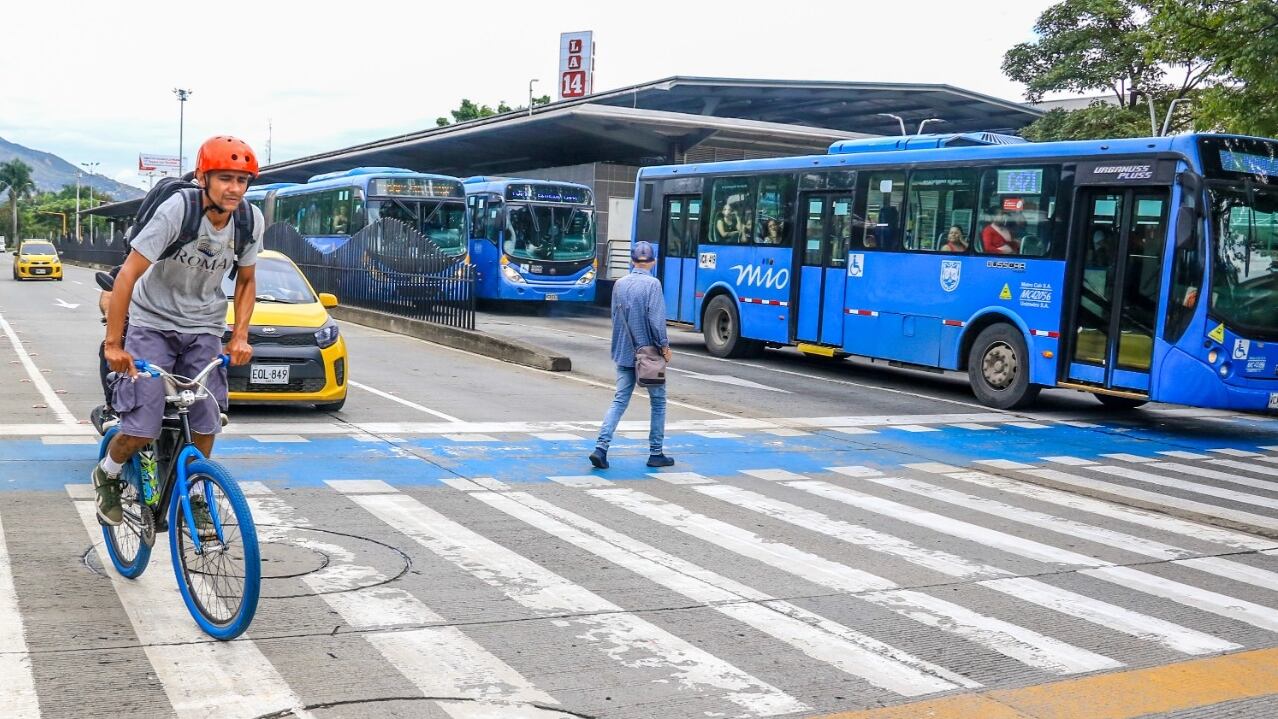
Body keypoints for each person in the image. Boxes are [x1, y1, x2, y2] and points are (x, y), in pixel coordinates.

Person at [92, 136, 263, 527]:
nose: (234, 188)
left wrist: (239, 335)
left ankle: (199, 492)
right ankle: (109, 471)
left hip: (203, 327)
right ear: (204, 178)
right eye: (225, 178)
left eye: (242, 180)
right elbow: (129, 276)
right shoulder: (178, 210)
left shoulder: (249, 221)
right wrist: (114, 343)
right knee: (142, 426)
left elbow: (247, 281)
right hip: (153, 322)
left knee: (206, 418)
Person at [589, 240, 674, 470]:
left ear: (632, 261)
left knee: (619, 400)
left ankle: (601, 448)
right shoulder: (653, 285)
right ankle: (656, 453)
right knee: (658, 402)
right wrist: (664, 347)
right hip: (648, 356)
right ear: (653, 262)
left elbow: (616, 318)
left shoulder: (620, 284)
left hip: (625, 352)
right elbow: (656, 322)